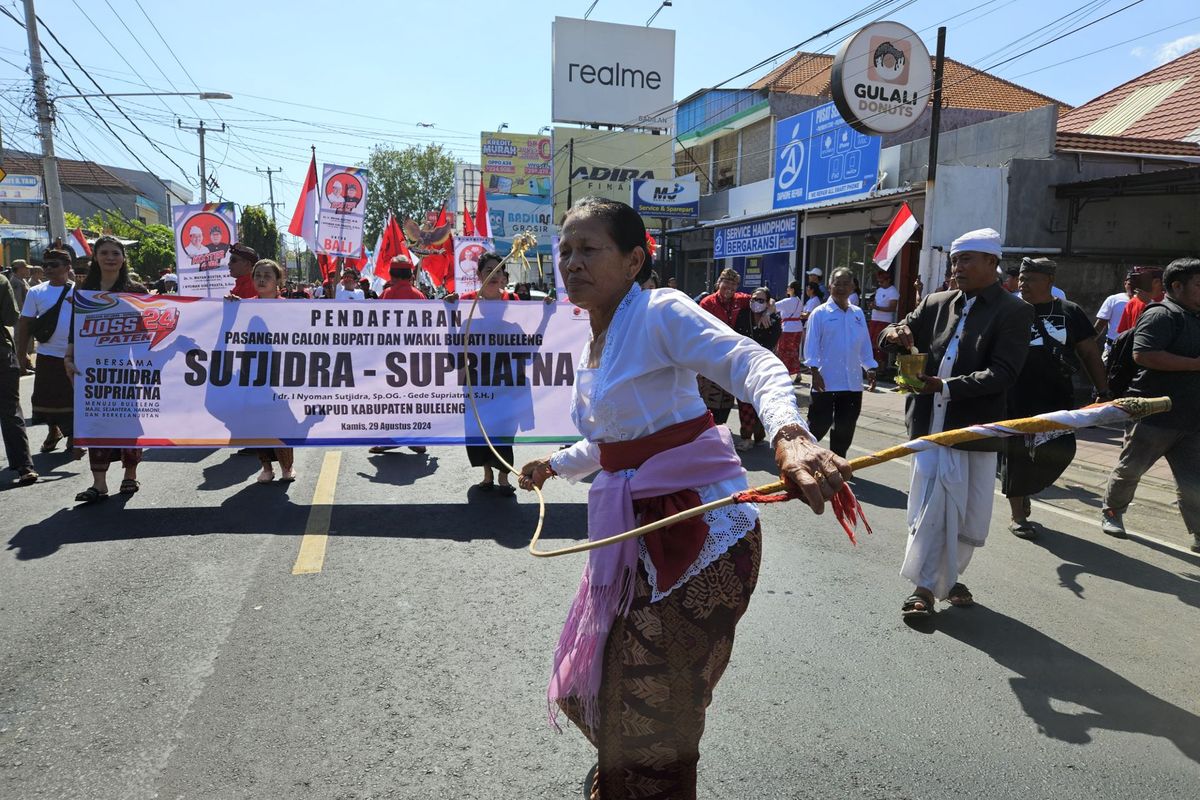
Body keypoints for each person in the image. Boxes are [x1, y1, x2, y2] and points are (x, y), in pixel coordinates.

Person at [518, 197, 847, 799]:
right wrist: (553, 465)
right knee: (592, 683)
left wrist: (790, 434)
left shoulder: (660, 312)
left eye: (590, 249)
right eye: (565, 250)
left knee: (653, 705)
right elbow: (612, 442)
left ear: (634, 259)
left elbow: (753, 362)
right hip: (636, 535)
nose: (572, 263)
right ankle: (624, 772)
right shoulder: (592, 341)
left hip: (701, 539)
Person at [878, 227, 1033, 619]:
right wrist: (894, 334)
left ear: (992, 263)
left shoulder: (1014, 311)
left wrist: (943, 385)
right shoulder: (936, 301)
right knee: (931, 509)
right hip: (929, 427)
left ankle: (948, 576)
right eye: (954, 260)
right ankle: (925, 590)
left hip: (972, 430)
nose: (957, 267)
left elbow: (1004, 373)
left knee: (964, 513)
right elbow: (892, 335)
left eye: (966, 260)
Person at [1002, 257, 1109, 538]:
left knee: (1063, 450)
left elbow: (1089, 353)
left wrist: (1103, 390)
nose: (1023, 284)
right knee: (1017, 456)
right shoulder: (1008, 309)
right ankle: (1017, 515)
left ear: (1049, 281)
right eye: (1022, 279)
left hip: (1056, 396)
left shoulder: (1069, 311)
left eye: (1031, 278)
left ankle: (1027, 488)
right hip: (1015, 396)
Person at [1101, 257, 1200, 553]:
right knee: (1130, 469)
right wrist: (1195, 365)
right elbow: (1143, 354)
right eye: (1199, 284)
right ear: (1176, 286)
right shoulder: (1161, 315)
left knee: (1194, 482)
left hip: (1192, 417)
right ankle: (1112, 512)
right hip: (1153, 414)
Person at [63, 236, 149, 503]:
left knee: (127, 424)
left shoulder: (135, 290)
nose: (110, 257)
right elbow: (74, 329)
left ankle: (130, 477)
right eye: (105, 253)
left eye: (115, 253)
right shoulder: (84, 292)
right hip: (93, 372)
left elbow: (149, 330)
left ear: (123, 258)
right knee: (97, 424)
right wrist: (68, 356)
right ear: (96, 258)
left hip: (127, 370)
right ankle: (98, 484)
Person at [442, 252, 518, 489]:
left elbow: (529, 340)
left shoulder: (515, 302)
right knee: (479, 429)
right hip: (476, 380)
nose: (494, 276)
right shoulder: (466, 302)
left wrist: (546, 311)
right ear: (479, 275)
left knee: (505, 430)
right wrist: (449, 311)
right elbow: (456, 347)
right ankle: (487, 474)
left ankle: (504, 476)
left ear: (505, 277)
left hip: (507, 380)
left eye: (499, 272)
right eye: (489, 272)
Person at [805, 267, 877, 457]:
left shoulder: (857, 313)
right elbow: (811, 345)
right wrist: (814, 372)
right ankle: (802, 459)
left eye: (846, 283)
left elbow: (864, 344)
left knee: (846, 426)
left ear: (853, 286)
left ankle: (838, 462)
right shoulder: (819, 313)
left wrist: (870, 367)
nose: (841, 287)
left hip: (852, 382)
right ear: (829, 286)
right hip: (825, 380)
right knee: (818, 425)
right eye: (837, 283)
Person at [16, 249, 76, 457]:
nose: (48, 268)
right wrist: (21, 354)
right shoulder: (36, 292)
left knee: (73, 398)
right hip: (47, 354)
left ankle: (74, 436)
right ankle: (53, 431)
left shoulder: (82, 292)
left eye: (54, 265)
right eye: (46, 265)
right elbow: (25, 324)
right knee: (46, 397)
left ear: (68, 268)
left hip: (75, 356)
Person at [244, 259, 296, 483]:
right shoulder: (242, 306)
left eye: (267, 276)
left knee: (282, 421)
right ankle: (266, 467)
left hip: (282, 374)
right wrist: (229, 308)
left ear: (278, 281)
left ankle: (287, 467)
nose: (262, 279)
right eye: (258, 275)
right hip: (253, 375)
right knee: (257, 421)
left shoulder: (291, 307)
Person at [697, 268, 750, 424]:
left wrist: (769, 309)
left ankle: (721, 426)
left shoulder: (740, 299)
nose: (729, 290)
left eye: (733, 286)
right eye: (726, 284)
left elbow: (761, 299)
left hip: (731, 356)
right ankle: (706, 428)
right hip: (710, 355)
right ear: (718, 283)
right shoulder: (707, 303)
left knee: (727, 394)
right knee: (708, 395)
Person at [733, 286, 781, 450]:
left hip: (763, 367)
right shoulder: (743, 314)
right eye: (754, 299)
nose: (756, 303)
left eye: (761, 300)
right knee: (744, 402)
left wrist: (768, 314)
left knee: (760, 401)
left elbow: (771, 342)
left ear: (768, 303)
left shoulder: (773, 319)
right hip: (744, 365)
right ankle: (746, 437)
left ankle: (759, 435)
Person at [0, 270, 36, 484]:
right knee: (10, 410)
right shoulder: (2, 280)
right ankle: (25, 467)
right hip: (1, 355)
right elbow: (11, 317)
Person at [774, 280, 806, 383]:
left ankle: (784, 373)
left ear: (792, 289)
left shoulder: (787, 301)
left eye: (788, 287)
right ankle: (797, 373)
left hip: (788, 328)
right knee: (794, 351)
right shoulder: (799, 302)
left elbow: (773, 307)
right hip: (798, 327)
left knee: (783, 351)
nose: (787, 289)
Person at [1095, 272, 1133, 360]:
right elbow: (1100, 325)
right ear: (1125, 284)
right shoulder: (1113, 299)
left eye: (1136, 284)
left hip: (1134, 351)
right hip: (1112, 349)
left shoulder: (1147, 302)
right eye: (1130, 284)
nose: (1132, 287)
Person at [1116, 265, 1164, 334]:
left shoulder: (1169, 301)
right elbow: (1123, 332)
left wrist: (1149, 302)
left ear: (1156, 282)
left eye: (1142, 279)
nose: (1137, 283)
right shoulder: (1132, 302)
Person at [869, 268, 899, 369]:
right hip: (875, 318)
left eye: (882, 281)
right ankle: (873, 366)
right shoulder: (879, 290)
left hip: (884, 321)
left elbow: (892, 308)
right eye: (878, 281)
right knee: (872, 343)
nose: (880, 283)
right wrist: (873, 305)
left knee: (880, 344)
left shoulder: (893, 291)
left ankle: (882, 367)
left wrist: (877, 307)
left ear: (888, 280)